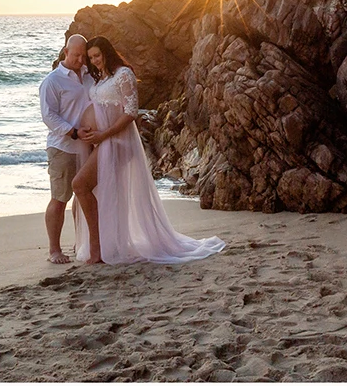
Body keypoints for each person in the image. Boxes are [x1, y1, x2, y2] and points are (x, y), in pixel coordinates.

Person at [72, 36, 225, 265]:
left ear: (107, 53)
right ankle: (104, 245)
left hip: (118, 142)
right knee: (103, 193)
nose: (94, 61)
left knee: (80, 184)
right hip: (102, 142)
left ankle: (98, 248)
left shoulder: (123, 74)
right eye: (91, 57)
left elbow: (131, 112)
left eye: (97, 56)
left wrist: (104, 134)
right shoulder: (101, 77)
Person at [38, 34, 96, 264]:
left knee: (83, 197)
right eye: (76, 55)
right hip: (63, 147)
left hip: (88, 147)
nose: (80, 60)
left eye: (83, 56)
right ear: (65, 52)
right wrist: (73, 132)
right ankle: (54, 250)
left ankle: (80, 242)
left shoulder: (89, 76)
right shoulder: (53, 81)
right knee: (60, 198)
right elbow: (48, 116)